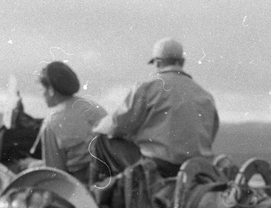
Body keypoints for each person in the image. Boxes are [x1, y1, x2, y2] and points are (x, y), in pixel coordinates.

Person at [91, 38, 219, 179]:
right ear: (182, 62)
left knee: (101, 141)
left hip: (159, 166)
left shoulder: (148, 87)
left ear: (158, 62)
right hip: (198, 168)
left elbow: (118, 124)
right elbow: (210, 134)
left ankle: (101, 193)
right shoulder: (205, 95)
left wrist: (98, 127)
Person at [32, 61, 108, 182]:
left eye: (42, 89)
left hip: (83, 183)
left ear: (51, 90)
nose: (42, 94)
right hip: (110, 177)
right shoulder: (93, 107)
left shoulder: (51, 122)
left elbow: (56, 172)